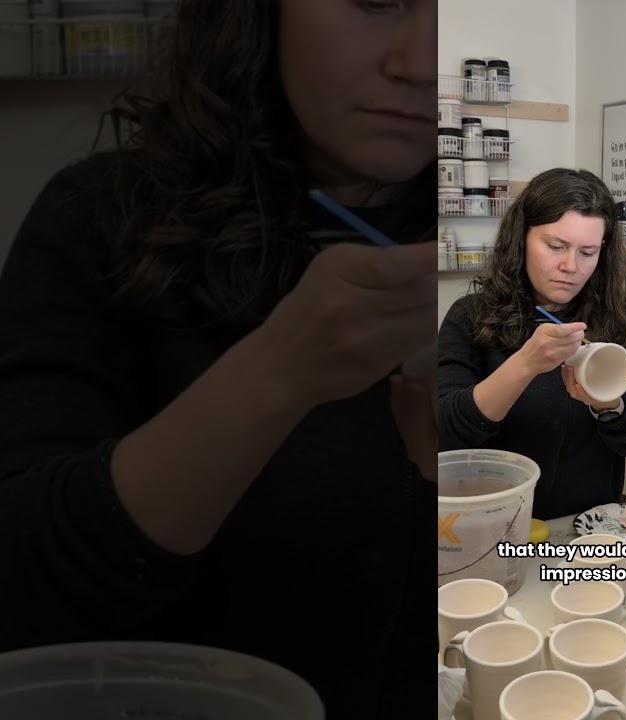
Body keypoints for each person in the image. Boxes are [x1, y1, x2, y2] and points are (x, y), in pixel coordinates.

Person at [0, 1, 435, 717]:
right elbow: (24, 600)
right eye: (374, 1)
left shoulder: (507, 238)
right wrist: (274, 376)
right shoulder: (102, 220)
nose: (422, 65)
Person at [437, 168, 626, 521]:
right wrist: (524, 364)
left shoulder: (620, 321)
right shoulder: (471, 316)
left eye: (587, 252)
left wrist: (610, 406)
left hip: (586, 529)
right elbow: (443, 436)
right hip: (489, 524)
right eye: (556, 246)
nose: (570, 266)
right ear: (522, 238)